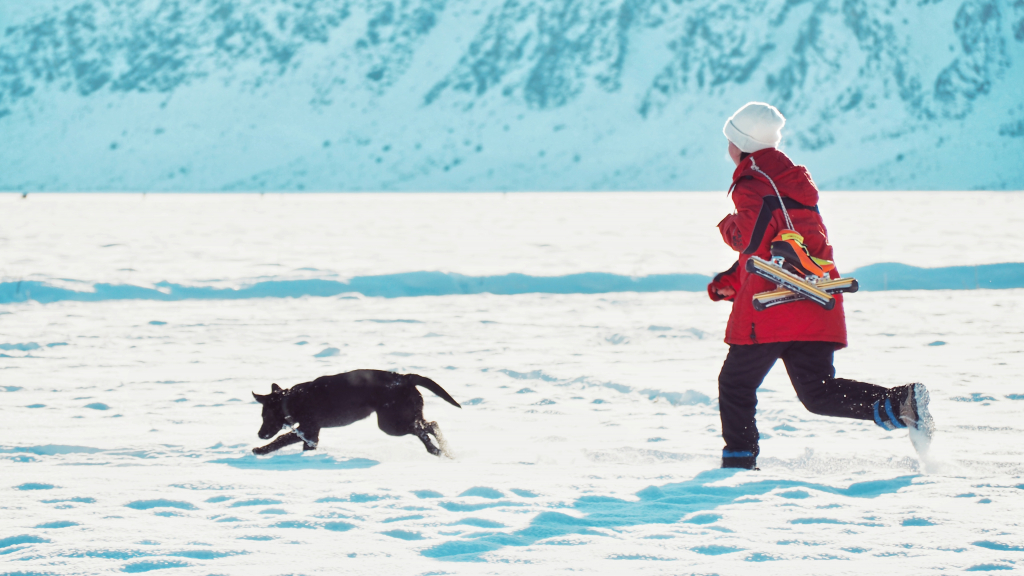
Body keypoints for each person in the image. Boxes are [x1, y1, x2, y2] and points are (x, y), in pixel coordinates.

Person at [707, 102, 934, 470]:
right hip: (816, 298)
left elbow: (748, 240)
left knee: (735, 384)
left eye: (730, 139)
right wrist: (730, 282)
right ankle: (902, 403)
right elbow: (781, 245)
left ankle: (738, 463)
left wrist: (727, 224)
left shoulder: (752, 183)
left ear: (742, 144)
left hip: (772, 306)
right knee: (817, 393)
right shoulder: (792, 181)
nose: (727, 147)